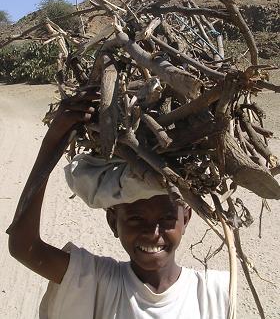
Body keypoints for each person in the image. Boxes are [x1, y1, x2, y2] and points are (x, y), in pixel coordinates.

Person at [7, 91, 229, 319]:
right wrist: (52, 141)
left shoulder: (213, 293)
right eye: (135, 219)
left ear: (186, 217)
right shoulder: (98, 282)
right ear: (113, 222)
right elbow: (24, 246)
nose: (153, 233)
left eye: (166, 219)